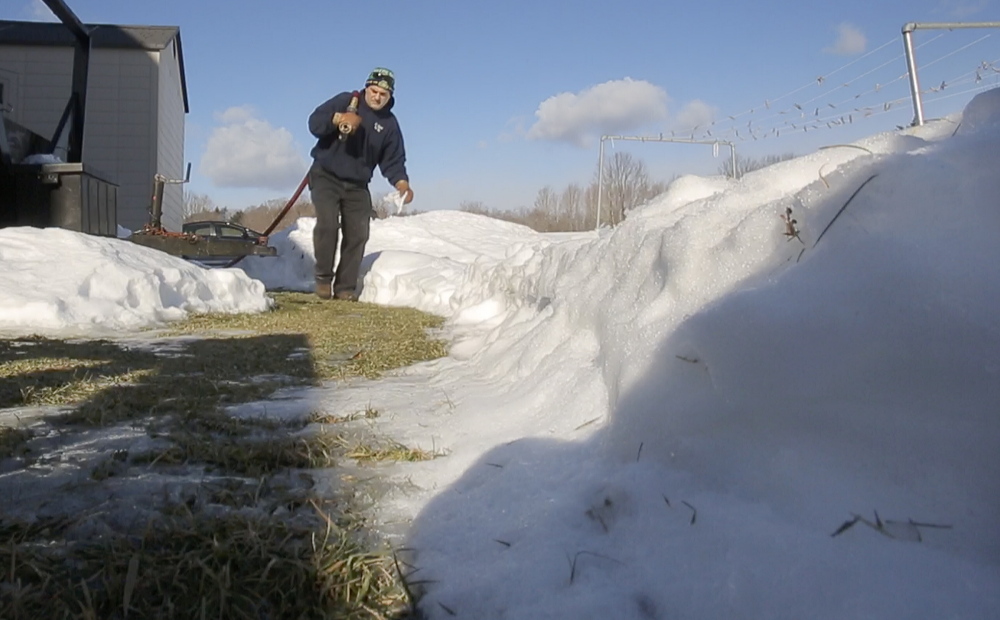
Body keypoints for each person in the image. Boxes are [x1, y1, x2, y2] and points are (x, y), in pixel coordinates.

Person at [307, 67, 413, 301]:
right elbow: (314, 123)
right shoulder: (346, 101)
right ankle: (323, 279)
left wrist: (402, 184)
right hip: (326, 175)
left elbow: (393, 159)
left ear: (390, 97)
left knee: (358, 234)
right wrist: (339, 119)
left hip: (357, 184)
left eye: (383, 94)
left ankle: (345, 288)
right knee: (328, 225)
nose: (377, 97)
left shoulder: (389, 125)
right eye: (374, 91)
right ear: (367, 88)